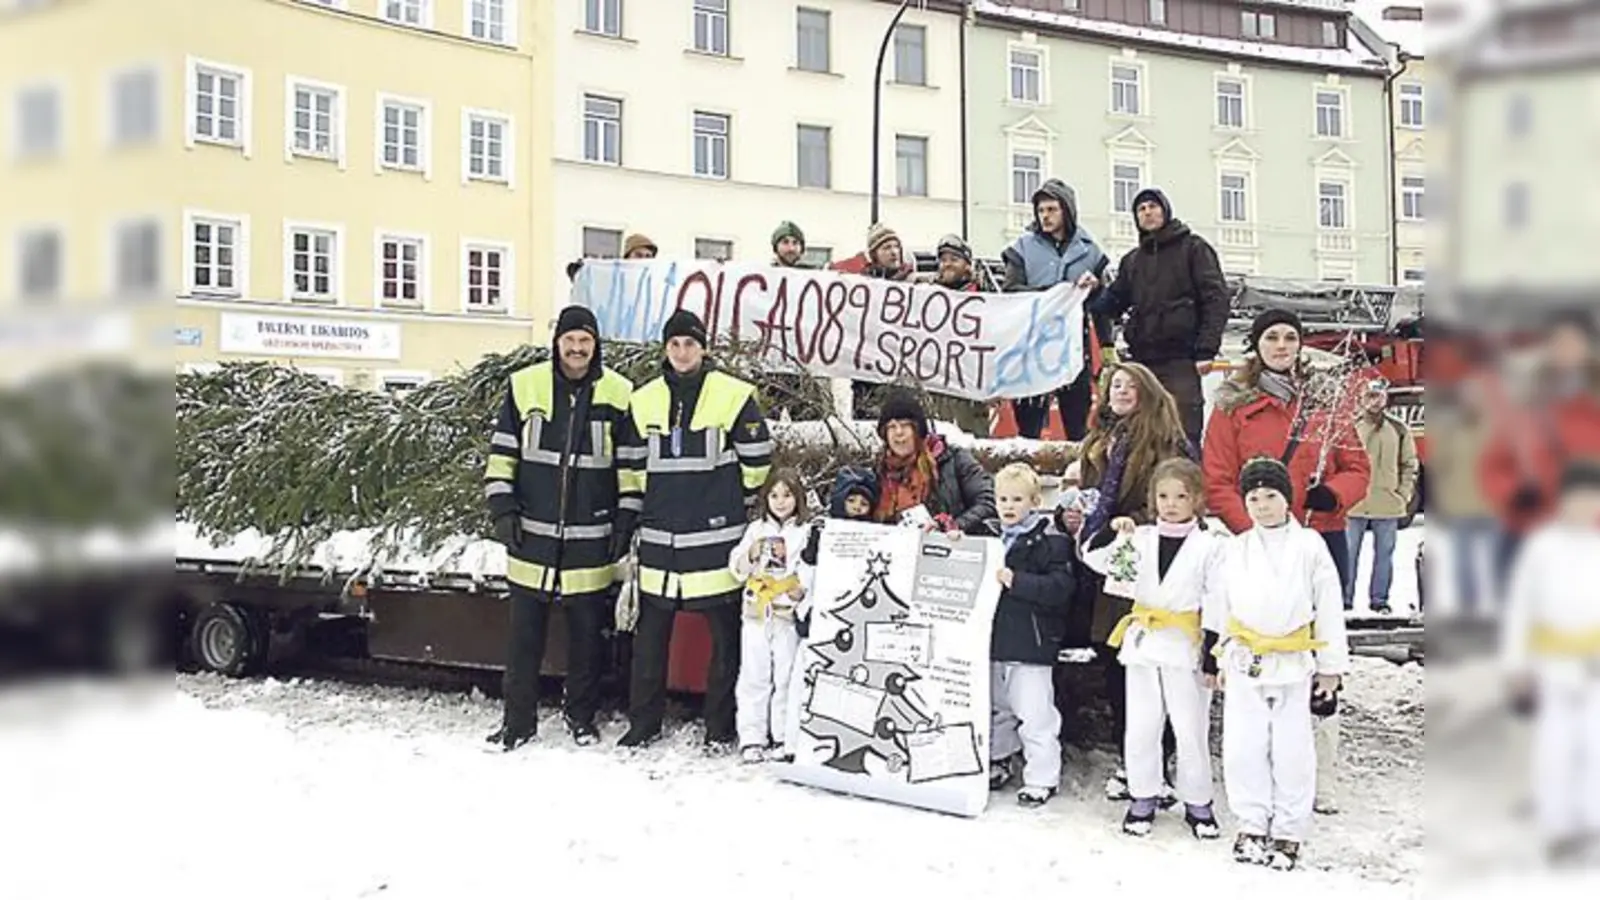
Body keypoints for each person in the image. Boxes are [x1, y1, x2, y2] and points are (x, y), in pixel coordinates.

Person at [612, 308, 774, 750]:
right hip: (662, 542)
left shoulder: (734, 395)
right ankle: (643, 725)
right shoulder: (642, 399)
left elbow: (758, 459)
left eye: (690, 343)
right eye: (675, 343)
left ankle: (720, 728)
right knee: (649, 643)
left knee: (726, 641)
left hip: (716, 542)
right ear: (666, 348)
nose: (683, 352)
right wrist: (647, 508)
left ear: (704, 348)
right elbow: (630, 465)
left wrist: (727, 500)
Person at [481, 305, 635, 750]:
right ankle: (517, 722)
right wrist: (503, 510)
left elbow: (629, 465)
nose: (577, 348)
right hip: (531, 533)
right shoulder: (524, 385)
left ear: (595, 344)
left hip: (592, 537)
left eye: (585, 340)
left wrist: (625, 518)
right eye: (570, 339)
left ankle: (581, 718)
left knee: (588, 640)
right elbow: (502, 452)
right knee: (523, 639)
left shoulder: (619, 393)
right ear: (557, 341)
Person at [1055, 362, 1194, 803]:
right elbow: (1090, 498)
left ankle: (1162, 763)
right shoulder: (1099, 439)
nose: (1121, 391)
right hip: (1105, 564)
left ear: (1148, 391)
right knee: (1114, 659)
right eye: (1115, 384)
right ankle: (1129, 758)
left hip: (1149, 561)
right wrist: (1071, 517)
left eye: (1131, 385)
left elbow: (1179, 499)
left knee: (1155, 668)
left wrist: (1131, 522)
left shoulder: (1165, 440)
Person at [1207, 457, 1350, 872]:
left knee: (1292, 749)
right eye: (1253, 497)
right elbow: (1220, 605)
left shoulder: (1309, 546)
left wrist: (1331, 667)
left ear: (1286, 498)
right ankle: (1251, 823)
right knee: (1243, 747)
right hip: (1245, 657)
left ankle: (1289, 829)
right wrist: (1214, 655)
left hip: (1292, 659)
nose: (1262, 505)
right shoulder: (1235, 549)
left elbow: (1327, 606)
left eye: (1271, 496)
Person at [1084, 458, 1222, 840]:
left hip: (1185, 644)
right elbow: (1094, 559)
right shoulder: (1140, 538)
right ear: (1152, 499)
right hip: (1143, 642)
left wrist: (1213, 650)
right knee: (1142, 726)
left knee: (1190, 728)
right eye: (1163, 496)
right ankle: (1142, 795)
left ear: (1196, 499)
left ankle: (1198, 802)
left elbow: (1218, 599)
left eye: (1181, 496)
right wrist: (1113, 532)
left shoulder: (1211, 546)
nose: (1171, 504)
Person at [1202, 308, 1371, 599]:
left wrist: (1334, 494)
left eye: (1290, 337)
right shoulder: (1232, 407)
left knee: (1322, 627)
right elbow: (1217, 479)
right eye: (1272, 337)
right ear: (1256, 345)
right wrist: (1251, 528)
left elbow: (1357, 468)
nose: (1282, 345)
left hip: (1320, 533)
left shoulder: (1325, 401)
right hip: (1260, 538)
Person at [1500, 458, 1600, 867]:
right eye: (1577, 499)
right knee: (1555, 747)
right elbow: (1521, 608)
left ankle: (1590, 822)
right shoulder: (1543, 548)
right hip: (1553, 662)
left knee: (1594, 747)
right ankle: (1558, 827)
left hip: (1594, 663)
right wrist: (1517, 666)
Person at [1091, 187, 1231, 449]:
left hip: (1181, 360)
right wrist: (1088, 290)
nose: (1147, 212)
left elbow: (1216, 299)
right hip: (1143, 362)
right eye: (1141, 209)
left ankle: (1185, 488)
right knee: (1141, 437)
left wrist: (1206, 349)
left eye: (1152, 206)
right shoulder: (1132, 261)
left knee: (1182, 435)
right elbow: (1111, 303)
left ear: (1165, 210)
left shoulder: (1194, 249)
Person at [983, 463, 1077, 808]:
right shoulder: (991, 537)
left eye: (1017, 499)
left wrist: (1018, 581)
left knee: (1035, 713)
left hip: (1032, 642)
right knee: (999, 708)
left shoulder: (1049, 541)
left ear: (1036, 501)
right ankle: (999, 760)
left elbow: (1061, 588)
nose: (1008, 506)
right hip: (995, 640)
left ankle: (1042, 776)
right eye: (1003, 499)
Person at [1002, 178, 1113, 442]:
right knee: (1029, 428)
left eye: (1052, 209)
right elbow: (1010, 291)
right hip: (1032, 346)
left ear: (1067, 210)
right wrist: (1054, 293)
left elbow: (1101, 306)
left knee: (1077, 424)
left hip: (1073, 346)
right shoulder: (1023, 248)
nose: (1045, 216)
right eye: (1041, 211)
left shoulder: (1090, 251)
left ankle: (1079, 475)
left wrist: (1107, 346)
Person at [728, 469, 814, 764]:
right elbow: (736, 568)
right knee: (754, 675)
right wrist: (750, 555)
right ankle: (752, 737)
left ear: (798, 497)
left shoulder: (805, 531)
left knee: (786, 677)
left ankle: (782, 736)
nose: (780, 502)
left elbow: (809, 568)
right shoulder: (755, 529)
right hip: (756, 613)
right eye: (774, 495)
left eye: (787, 495)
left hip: (786, 615)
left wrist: (802, 589)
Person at [871, 390, 996, 534]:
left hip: (950, 548)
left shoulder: (955, 460)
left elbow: (988, 501)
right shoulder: (878, 472)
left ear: (918, 430)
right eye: (891, 427)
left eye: (905, 425)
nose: (898, 432)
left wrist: (952, 526)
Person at [1345, 379, 1420, 614]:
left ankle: (1380, 600)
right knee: (1348, 555)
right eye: (1369, 396)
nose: (1374, 401)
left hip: (1387, 503)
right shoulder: (1349, 427)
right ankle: (1344, 600)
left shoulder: (1398, 429)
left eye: (1378, 396)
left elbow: (1409, 464)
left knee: (1385, 556)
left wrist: (1403, 494)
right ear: (1361, 398)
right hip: (1354, 504)